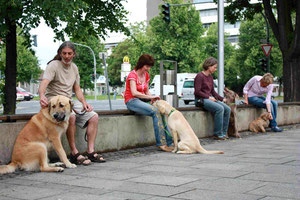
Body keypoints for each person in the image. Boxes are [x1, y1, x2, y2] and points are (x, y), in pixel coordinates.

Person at [39, 41, 105, 165]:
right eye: (64, 53)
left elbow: (77, 89)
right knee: (72, 117)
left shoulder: (74, 67)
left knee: (94, 116)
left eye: (70, 53)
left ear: (74, 54)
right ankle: (74, 153)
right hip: (55, 101)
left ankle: (90, 151)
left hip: (68, 101)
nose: (67, 56)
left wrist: (84, 102)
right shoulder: (53, 65)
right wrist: (42, 96)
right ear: (60, 53)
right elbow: (44, 83)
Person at [124, 54, 173, 152]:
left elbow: (146, 91)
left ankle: (170, 142)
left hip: (141, 100)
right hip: (132, 101)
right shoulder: (132, 75)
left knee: (160, 111)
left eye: (150, 66)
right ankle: (161, 144)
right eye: (147, 66)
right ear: (141, 64)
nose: (148, 69)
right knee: (155, 111)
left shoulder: (146, 75)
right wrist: (150, 97)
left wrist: (152, 99)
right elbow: (134, 93)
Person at [194, 57, 231, 140]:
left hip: (208, 99)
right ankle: (217, 134)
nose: (215, 69)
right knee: (220, 108)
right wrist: (208, 98)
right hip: (201, 100)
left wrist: (222, 99)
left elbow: (213, 91)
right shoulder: (199, 76)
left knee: (227, 109)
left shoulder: (210, 77)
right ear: (209, 66)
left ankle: (224, 133)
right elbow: (197, 91)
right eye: (214, 67)